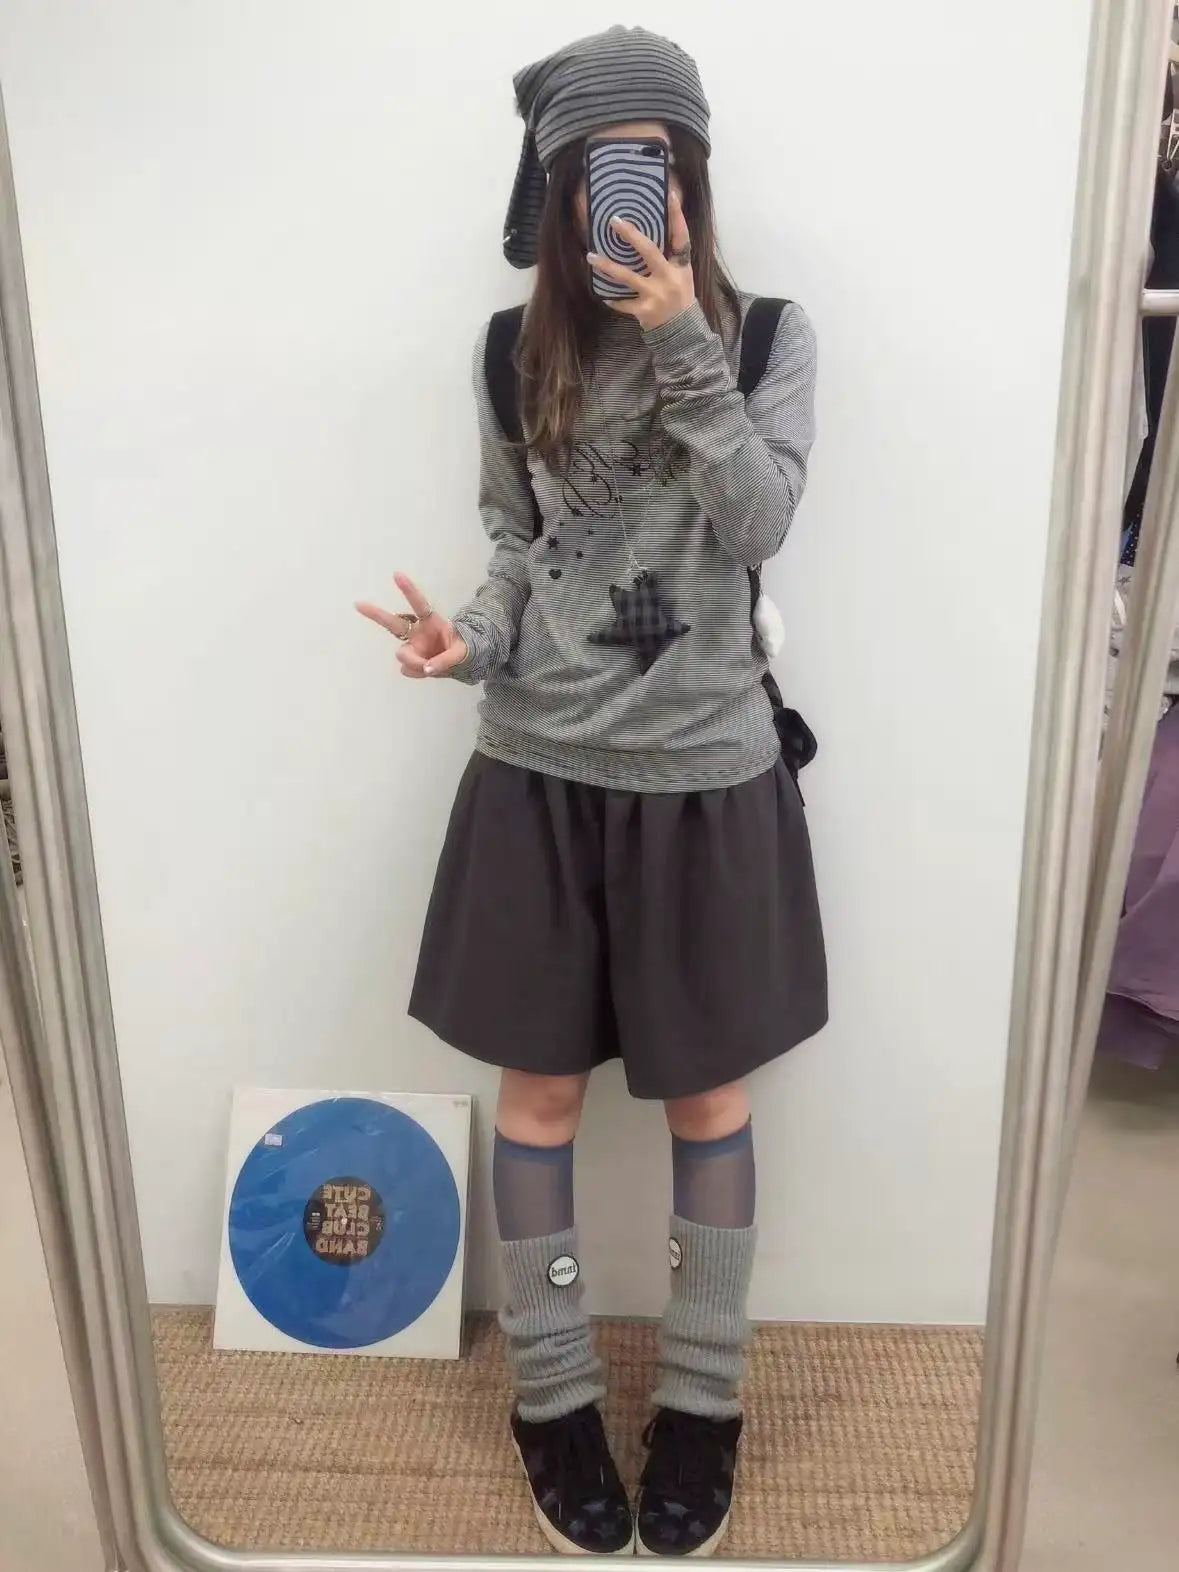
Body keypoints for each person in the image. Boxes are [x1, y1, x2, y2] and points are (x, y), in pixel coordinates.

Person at [358, 25, 827, 1559]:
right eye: (595, 172)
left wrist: (682, 334)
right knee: (542, 1100)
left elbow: (758, 523)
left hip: (707, 778)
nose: (624, 196)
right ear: (556, 186)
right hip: (540, 771)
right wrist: (466, 641)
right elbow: (517, 543)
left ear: (691, 178)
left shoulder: (767, 339)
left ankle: (704, 1401)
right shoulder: (510, 353)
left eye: (654, 164)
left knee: (710, 1100)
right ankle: (552, 1394)